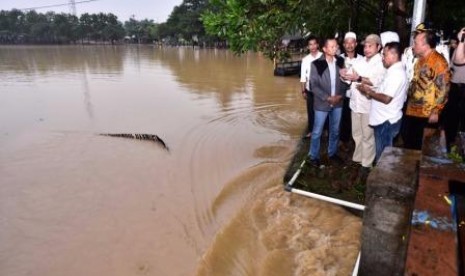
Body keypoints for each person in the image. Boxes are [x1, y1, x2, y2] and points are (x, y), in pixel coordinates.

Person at [402, 25, 451, 150]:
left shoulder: (438, 61)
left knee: (422, 148)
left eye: (416, 43)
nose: (413, 46)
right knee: (409, 144)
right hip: (412, 111)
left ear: (426, 45)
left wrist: (436, 111)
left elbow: (444, 89)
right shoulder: (420, 60)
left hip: (426, 114)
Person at [357, 42, 408, 162]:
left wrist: (368, 92)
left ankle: (382, 179)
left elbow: (386, 98)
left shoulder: (397, 74)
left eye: (384, 54)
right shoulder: (392, 70)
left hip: (386, 121)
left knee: (383, 157)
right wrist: (369, 90)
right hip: (384, 118)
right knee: (383, 153)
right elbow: (382, 89)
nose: (382, 57)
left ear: (393, 55)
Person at [341, 34, 385, 171]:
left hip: (369, 104)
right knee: (357, 133)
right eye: (365, 45)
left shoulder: (381, 63)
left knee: (368, 135)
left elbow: (376, 82)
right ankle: (358, 158)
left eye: (370, 46)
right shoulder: (359, 62)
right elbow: (349, 78)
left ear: (378, 47)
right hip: (355, 104)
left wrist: (359, 77)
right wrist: (343, 74)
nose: (366, 48)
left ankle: (367, 163)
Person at [308, 37, 348, 166]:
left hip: (338, 102)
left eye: (336, 46)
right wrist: (327, 97)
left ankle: (332, 153)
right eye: (331, 46)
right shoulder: (316, 64)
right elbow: (313, 85)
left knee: (335, 130)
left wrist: (340, 96)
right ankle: (313, 156)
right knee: (317, 131)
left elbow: (346, 81)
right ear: (324, 49)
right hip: (322, 103)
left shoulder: (341, 61)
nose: (335, 48)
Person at [441, 27, 465, 151]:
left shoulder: (461, 45)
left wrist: (461, 41)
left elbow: (460, 60)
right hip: (455, 88)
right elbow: (453, 65)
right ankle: (449, 150)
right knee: (450, 124)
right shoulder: (459, 47)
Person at [339, 32, 363, 148]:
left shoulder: (362, 60)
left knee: (357, 120)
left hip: (358, 95)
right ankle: (344, 141)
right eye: (347, 43)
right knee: (343, 119)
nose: (349, 45)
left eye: (352, 42)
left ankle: (356, 142)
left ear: (356, 44)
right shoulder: (339, 59)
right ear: (344, 44)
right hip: (343, 95)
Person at [300, 36, 323, 138]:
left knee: (323, 110)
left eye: (314, 44)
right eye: (310, 44)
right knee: (311, 111)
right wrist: (303, 90)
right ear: (308, 47)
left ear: (318, 45)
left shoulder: (324, 56)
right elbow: (303, 76)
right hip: (310, 90)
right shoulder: (305, 60)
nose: (313, 46)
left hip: (323, 89)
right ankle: (311, 130)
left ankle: (324, 130)